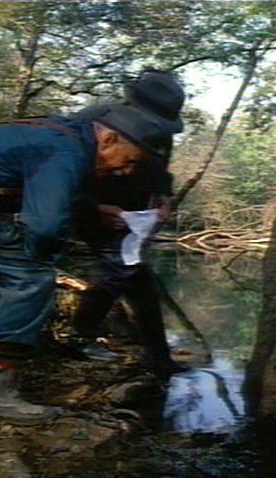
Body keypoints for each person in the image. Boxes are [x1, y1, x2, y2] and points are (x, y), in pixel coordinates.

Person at [0, 94, 180, 425]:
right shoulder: (69, 151)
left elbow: (45, 190)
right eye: (130, 160)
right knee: (30, 280)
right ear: (107, 138)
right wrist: (44, 261)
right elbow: (45, 225)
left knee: (4, 282)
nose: (126, 170)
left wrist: (92, 210)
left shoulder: (69, 135)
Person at [70, 70, 189, 381]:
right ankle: (78, 337)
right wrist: (91, 208)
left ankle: (158, 357)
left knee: (139, 279)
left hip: (135, 213)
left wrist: (164, 195)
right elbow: (64, 173)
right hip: (95, 206)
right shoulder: (93, 120)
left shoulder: (161, 133)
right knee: (118, 269)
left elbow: (162, 170)